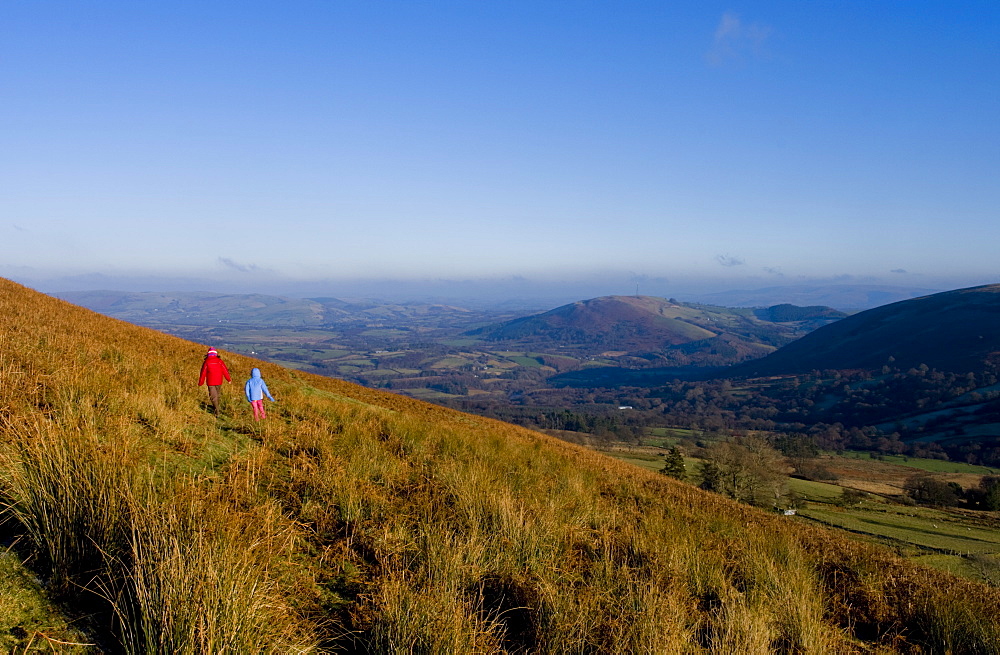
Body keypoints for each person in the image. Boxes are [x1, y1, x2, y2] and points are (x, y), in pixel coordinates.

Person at [198, 347, 231, 414]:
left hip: (210, 382)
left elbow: (203, 373)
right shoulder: (220, 361)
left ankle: (217, 411)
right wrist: (228, 379)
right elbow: (225, 371)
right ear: (216, 354)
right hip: (219, 381)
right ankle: (217, 409)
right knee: (217, 395)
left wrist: (200, 382)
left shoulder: (206, 362)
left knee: (213, 396)